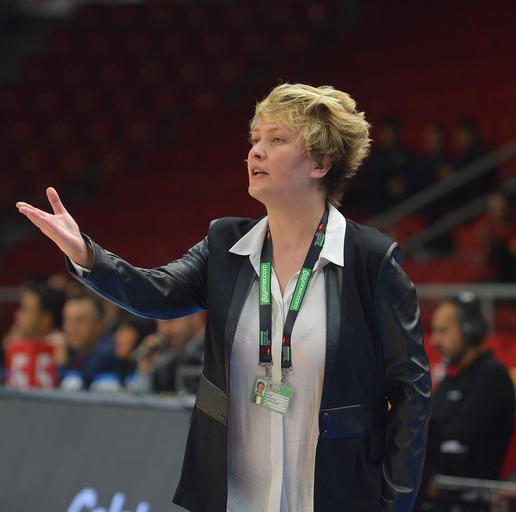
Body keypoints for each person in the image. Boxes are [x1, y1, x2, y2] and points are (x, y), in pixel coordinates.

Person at [16, 83, 431, 511]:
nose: (256, 152)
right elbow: (156, 292)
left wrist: (396, 501)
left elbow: (411, 389)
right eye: (255, 139)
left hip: (334, 495)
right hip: (234, 497)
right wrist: (86, 255)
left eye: (277, 140)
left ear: (320, 163)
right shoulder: (225, 245)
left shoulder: (370, 260)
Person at [428, 292, 515, 480]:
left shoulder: (492, 375)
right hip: (442, 485)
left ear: (470, 330)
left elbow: (461, 434)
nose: (434, 340)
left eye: (443, 331)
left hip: (472, 490)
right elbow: (432, 424)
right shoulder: (453, 374)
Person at [59, 294, 117, 388]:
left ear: (98, 325)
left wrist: (61, 365)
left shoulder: (108, 353)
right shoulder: (70, 352)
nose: (71, 328)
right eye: (67, 320)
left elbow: (81, 386)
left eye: (79, 320)